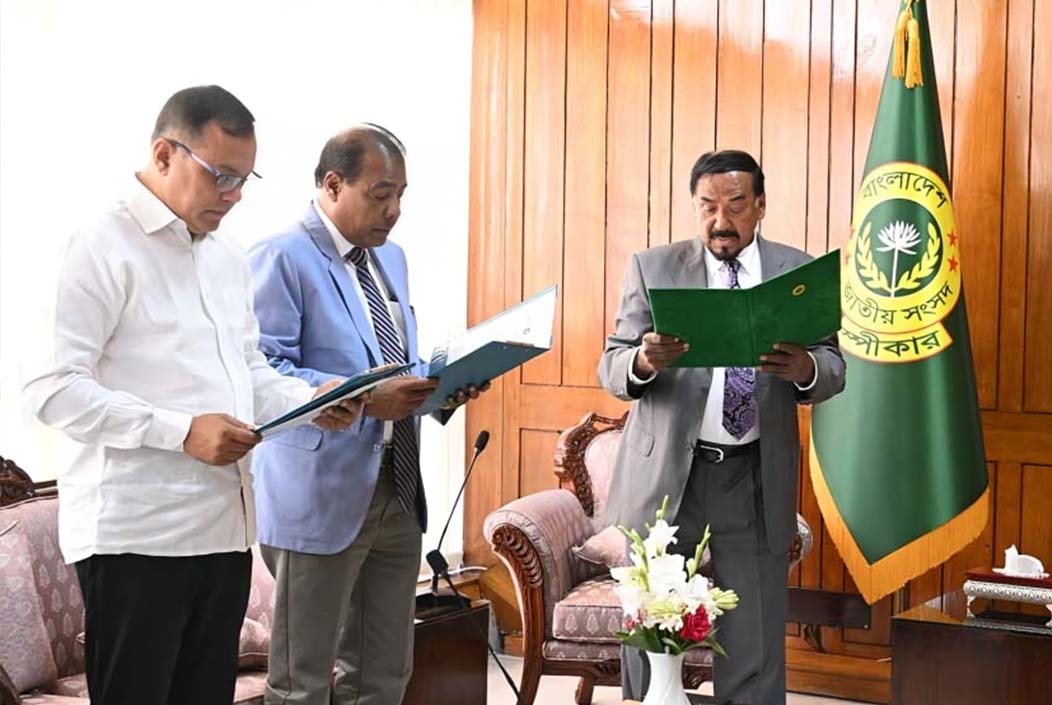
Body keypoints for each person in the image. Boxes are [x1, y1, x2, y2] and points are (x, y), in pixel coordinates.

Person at [22, 85, 364, 705]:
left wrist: (309, 401)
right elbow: (52, 389)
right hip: (137, 537)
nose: (233, 197)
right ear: (163, 155)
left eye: (244, 179)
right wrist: (179, 431)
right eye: (220, 177)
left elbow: (249, 373)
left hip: (224, 529)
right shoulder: (100, 246)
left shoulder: (226, 257)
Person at [598, 150, 846, 705]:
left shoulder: (797, 272)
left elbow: (833, 366)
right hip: (667, 478)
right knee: (651, 630)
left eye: (735, 205)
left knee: (754, 634)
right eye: (707, 207)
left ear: (759, 206)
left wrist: (804, 368)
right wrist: (643, 361)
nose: (720, 220)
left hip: (753, 473)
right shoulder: (653, 267)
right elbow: (611, 365)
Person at [248, 124, 484, 705]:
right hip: (320, 494)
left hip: (398, 489)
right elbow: (259, 369)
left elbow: (392, 361)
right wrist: (353, 398)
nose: (395, 210)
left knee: (383, 676)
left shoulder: (391, 259)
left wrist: (439, 388)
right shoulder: (281, 256)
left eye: (401, 194)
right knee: (301, 684)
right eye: (381, 195)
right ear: (333, 184)